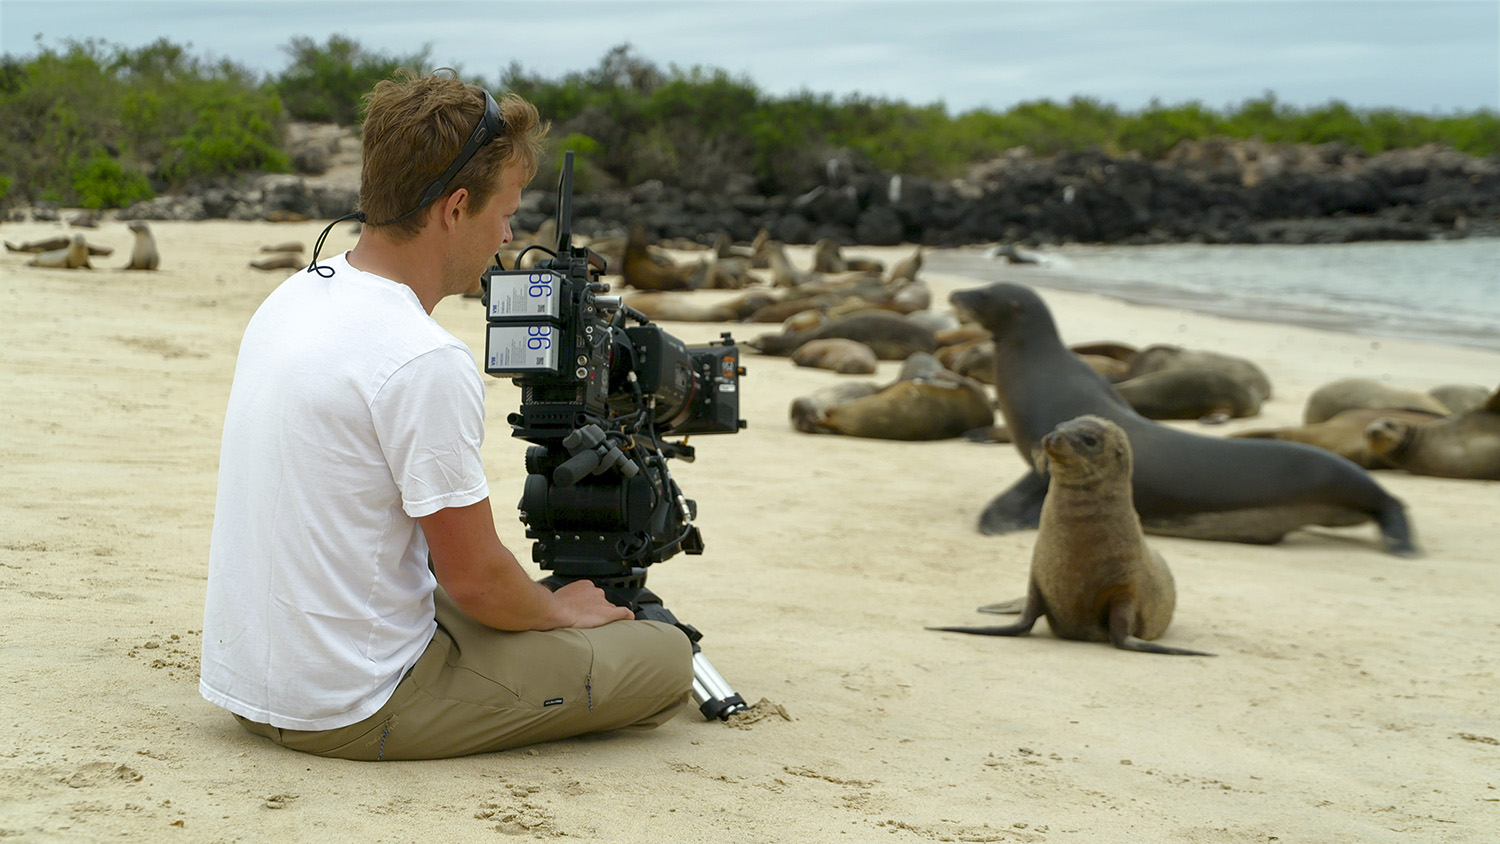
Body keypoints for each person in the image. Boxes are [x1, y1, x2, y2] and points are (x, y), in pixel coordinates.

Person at [199, 69, 693, 760]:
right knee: (665, 658)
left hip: (248, 677)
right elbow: (477, 583)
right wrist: (558, 611)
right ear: (455, 208)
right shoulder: (420, 356)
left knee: (508, 607)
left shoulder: (295, 297)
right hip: (354, 705)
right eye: (506, 210)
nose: (510, 232)